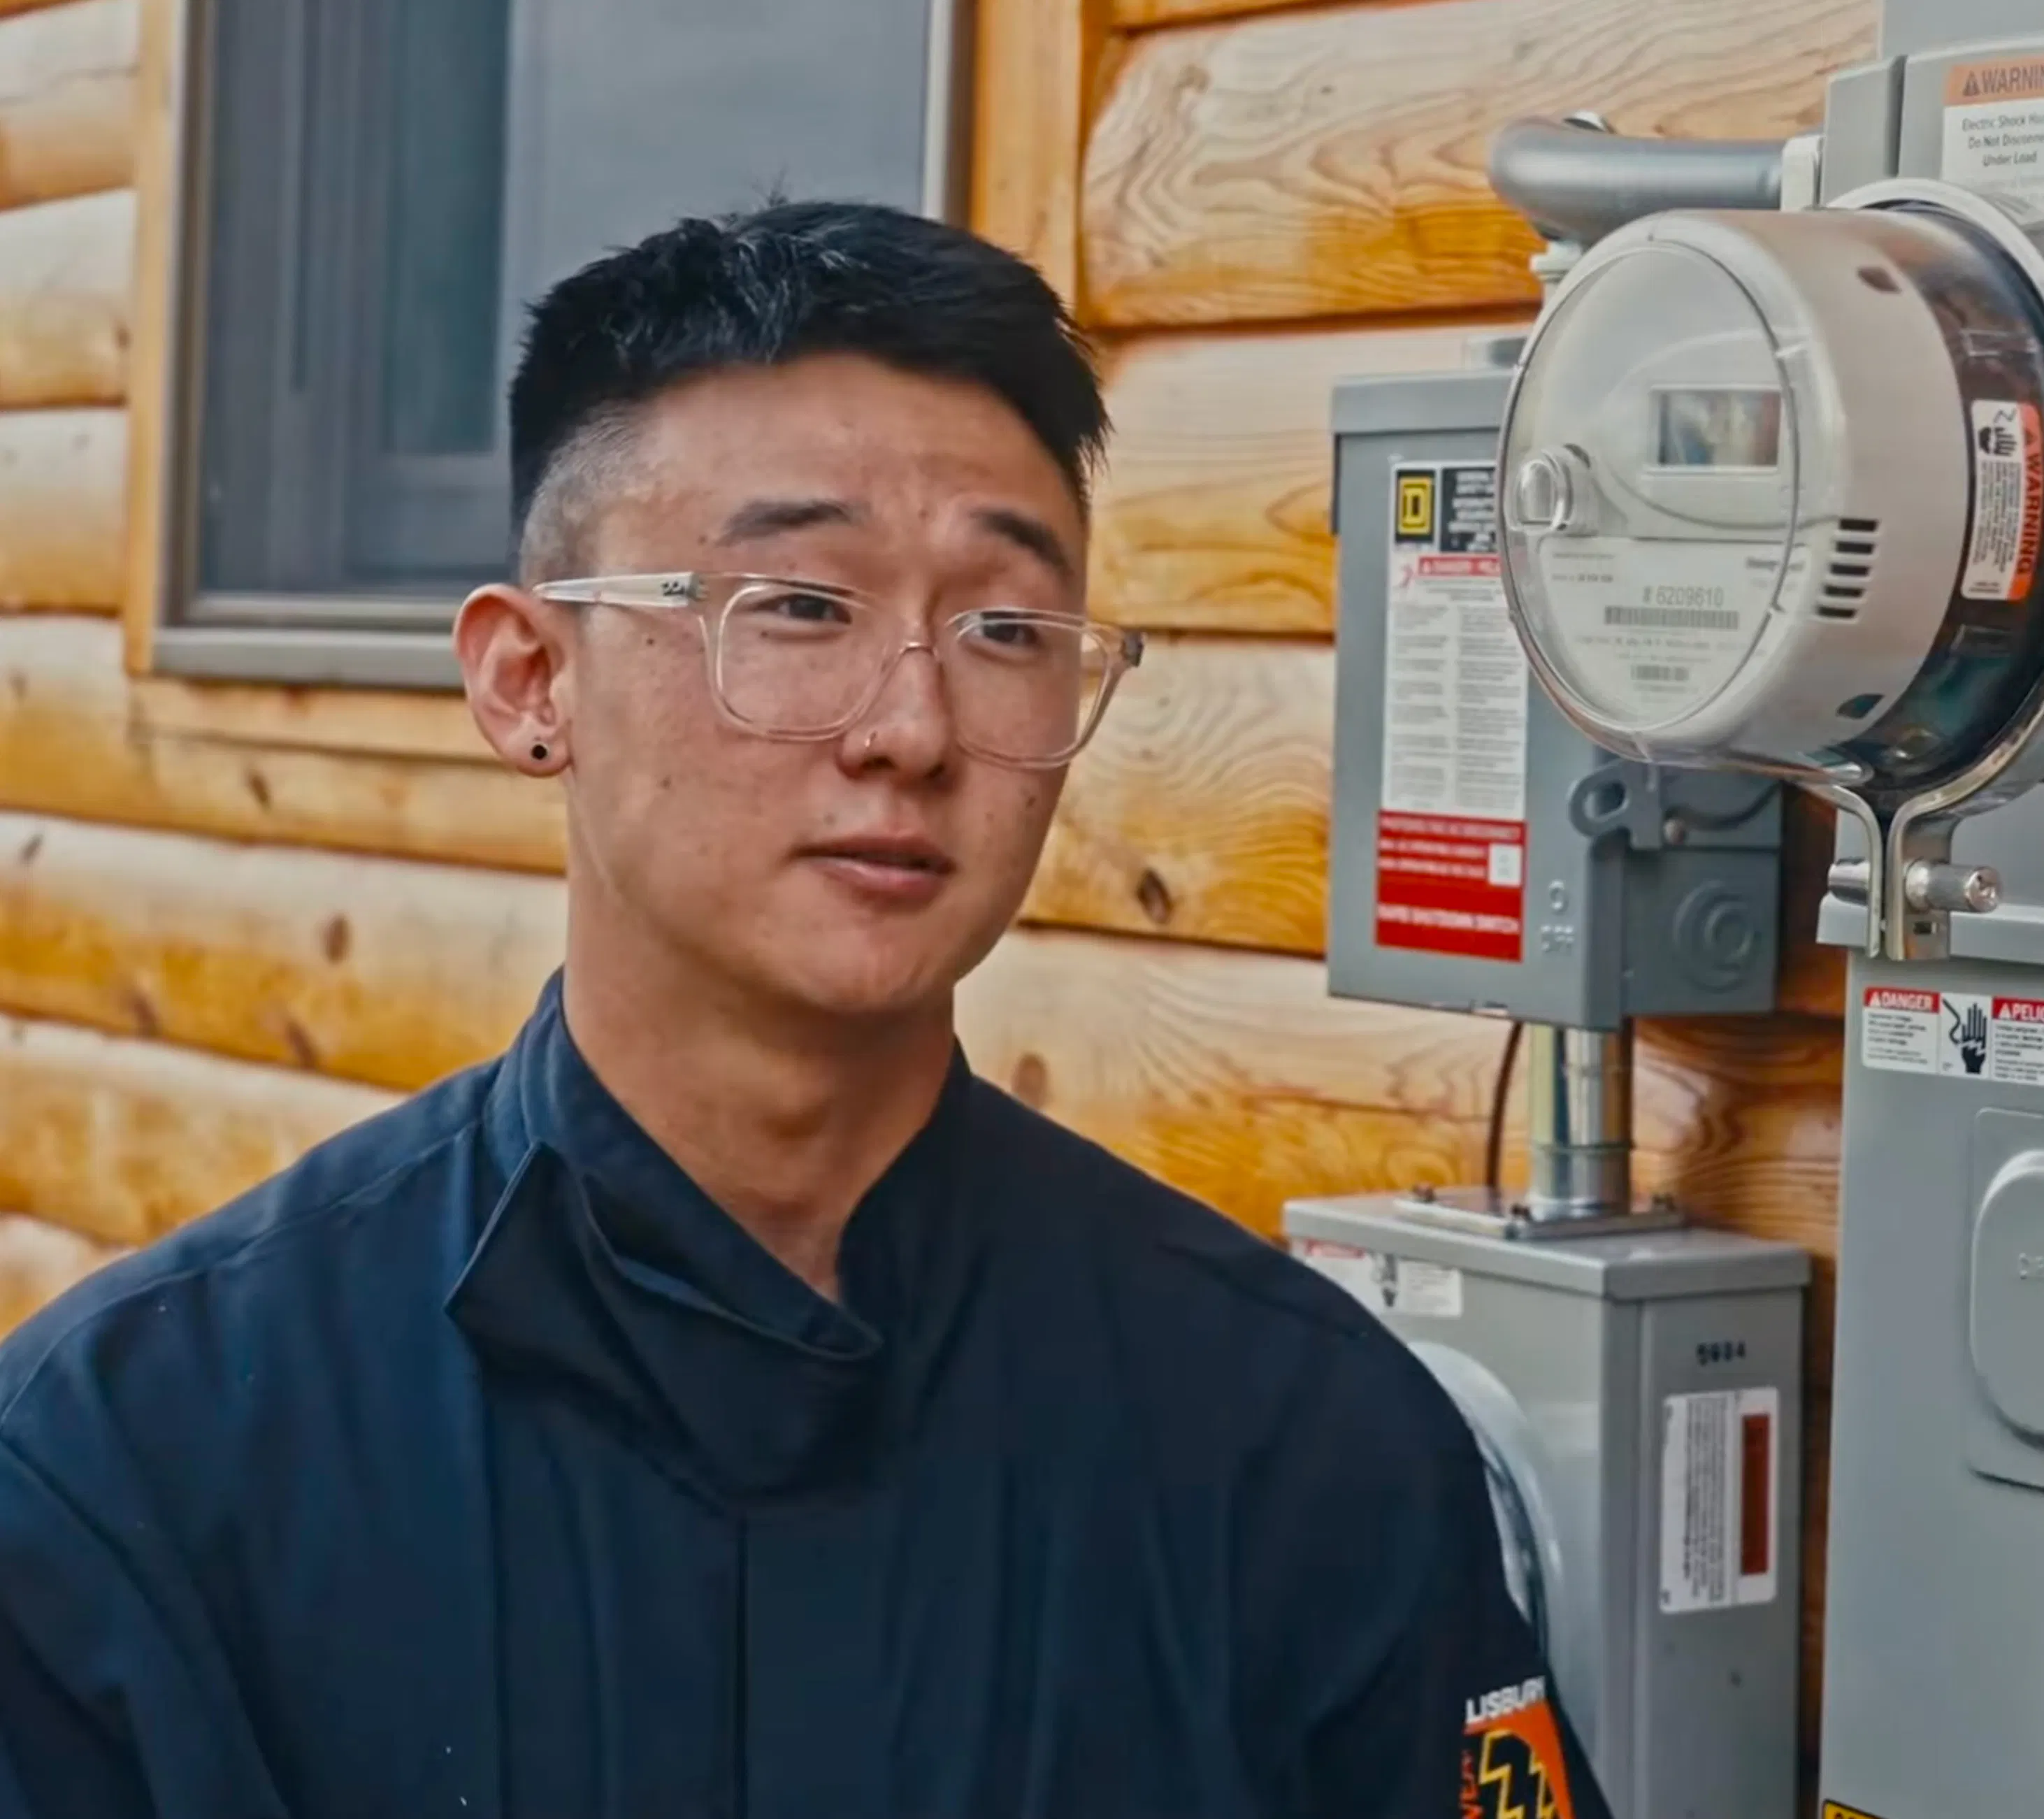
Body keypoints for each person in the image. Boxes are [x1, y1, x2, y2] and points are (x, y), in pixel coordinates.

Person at [0, 200, 1606, 1818]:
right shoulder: (144, 1454)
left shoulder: (1295, 1435)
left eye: (1003, 628)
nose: (910, 725)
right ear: (529, 679)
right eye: (799, 606)